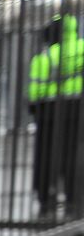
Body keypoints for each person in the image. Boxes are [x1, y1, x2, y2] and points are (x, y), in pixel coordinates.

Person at [27, 14, 83, 220]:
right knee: (75, 156)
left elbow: (35, 90)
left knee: (45, 156)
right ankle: (74, 201)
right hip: (78, 109)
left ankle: (46, 201)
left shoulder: (44, 57)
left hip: (49, 111)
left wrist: (34, 109)